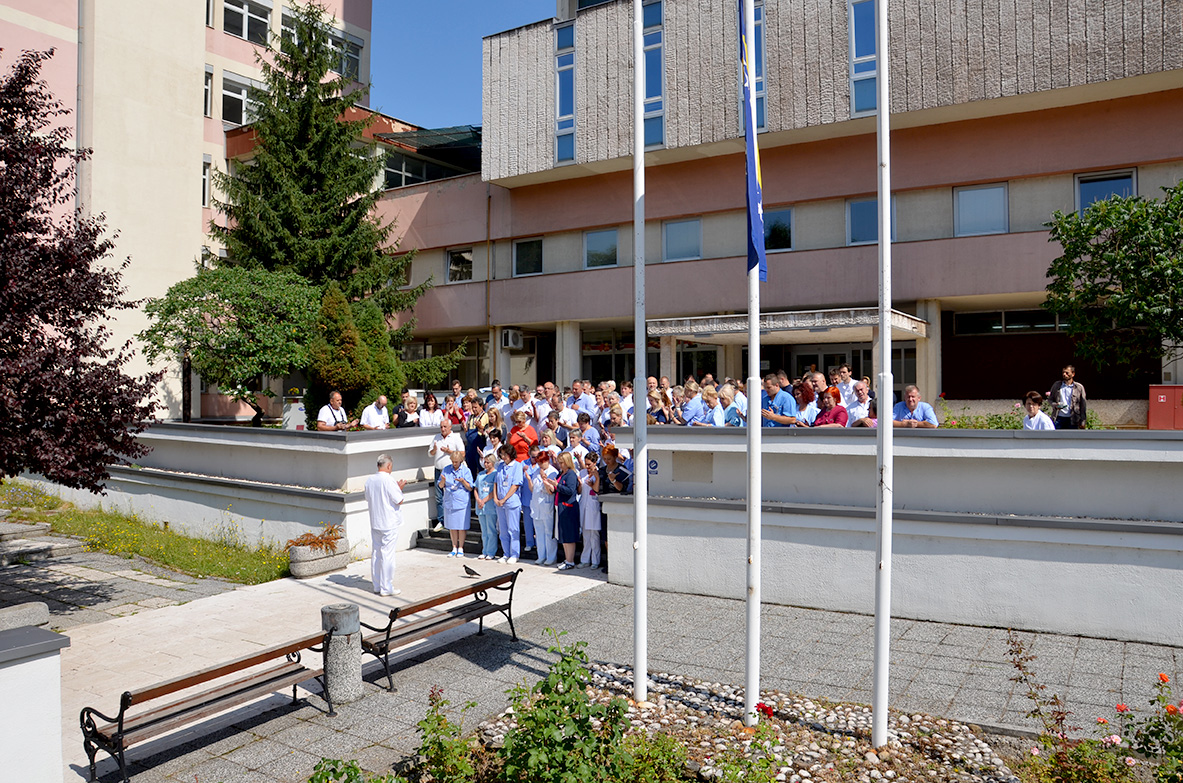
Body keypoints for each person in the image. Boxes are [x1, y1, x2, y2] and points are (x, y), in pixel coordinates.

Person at [364, 454, 406, 597]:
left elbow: (367, 498)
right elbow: (399, 500)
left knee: (376, 553)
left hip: (375, 521)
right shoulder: (389, 480)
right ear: (388, 466)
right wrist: (399, 487)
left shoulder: (370, 480)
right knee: (387, 555)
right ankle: (386, 587)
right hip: (388, 522)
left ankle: (377, 585)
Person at [547, 452, 581, 571]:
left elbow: (571, 490)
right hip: (560, 506)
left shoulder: (571, 474)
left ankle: (570, 560)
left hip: (568, 507)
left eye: (561, 462)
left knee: (569, 535)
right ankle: (567, 559)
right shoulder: (562, 473)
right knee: (564, 535)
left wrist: (557, 486)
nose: (559, 465)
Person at [427, 419, 463, 528]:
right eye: (441, 427)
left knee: (452, 495)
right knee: (438, 497)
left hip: (451, 471)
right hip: (438, 470)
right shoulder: (436, 437)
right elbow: (430, 454)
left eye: (445, 427)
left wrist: (449, 452)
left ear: (450, 427)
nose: (443, 429)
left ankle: (453, 519)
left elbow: (462, 453)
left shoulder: (456, 438)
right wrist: (434, 450)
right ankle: (441, 521)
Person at [437, 450, 473, 557]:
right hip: (450, 501)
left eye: (456, 462)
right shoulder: (446, 469)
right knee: (452, 526)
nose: (454, 464)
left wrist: (463, 481)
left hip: (461, 502)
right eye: (453, 461)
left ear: (460, 461)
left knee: (461, 526)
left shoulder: (466, 471)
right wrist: (443, 480)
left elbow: (470, 487)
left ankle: (461, 547)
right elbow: (440, 486)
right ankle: (454, 546)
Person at [493, 444, 523, 563]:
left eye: (505, 454)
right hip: (500, 503)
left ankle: (514, 554)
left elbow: (515, 485)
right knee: (503, 529)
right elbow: (495, 482)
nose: (503, 457)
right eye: (501, 454)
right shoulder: (500, 466)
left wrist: (504, 499)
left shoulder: (517, 466)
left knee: (513, 529)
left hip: (511, 502)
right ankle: (506, 553)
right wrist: (496, 498)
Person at [529, 449, 559, 565]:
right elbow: (533, 488)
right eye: (539, 463)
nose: (540, 465)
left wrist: (544, 479)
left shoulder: (553, 472)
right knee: (539, 531)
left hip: (547, 505)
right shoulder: (536, 471)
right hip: (537, 505)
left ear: (547, 460)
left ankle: (551, 556)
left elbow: (551, 491)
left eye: (542, 462)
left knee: (548, 532)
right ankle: (541, 555)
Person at [473, 453, 499, 560]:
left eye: (488, 462)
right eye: (485, 462)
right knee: (484, 530)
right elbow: (476, 488)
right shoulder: (481, 474)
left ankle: (491, 551)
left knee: (491, 530)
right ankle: (484, 550)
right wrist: (478, 499)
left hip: (489, 506)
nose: (486, 464)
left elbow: (494, 491)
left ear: (493, 463)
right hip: (480, 506)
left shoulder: (495, 474)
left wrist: (484, 500)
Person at [578, 452, 602, 568]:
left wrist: (595, 478)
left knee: (594, 535)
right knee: (586, 534)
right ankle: (585, 559)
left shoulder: (599, 473)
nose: (587, 467)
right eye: (586, 464)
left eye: (589, 464)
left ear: (595, 463)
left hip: (593, 505)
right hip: (583, 504)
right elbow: (579, 490)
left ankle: (595, 561)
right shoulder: (582, 473)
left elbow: (596, 490)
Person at [1047, 365, 1087, 429]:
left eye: (1067, 373)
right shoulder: (1057, 385)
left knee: (1072, 438)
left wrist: (1083, 421)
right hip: (1058, 418)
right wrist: (1055, 405)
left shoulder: (1079, 387)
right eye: (1063, 372)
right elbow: (1050, 399)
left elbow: (1083, 405)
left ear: (1073, 374)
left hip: (1073, 419)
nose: (1064, 374)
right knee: (1057, 437)